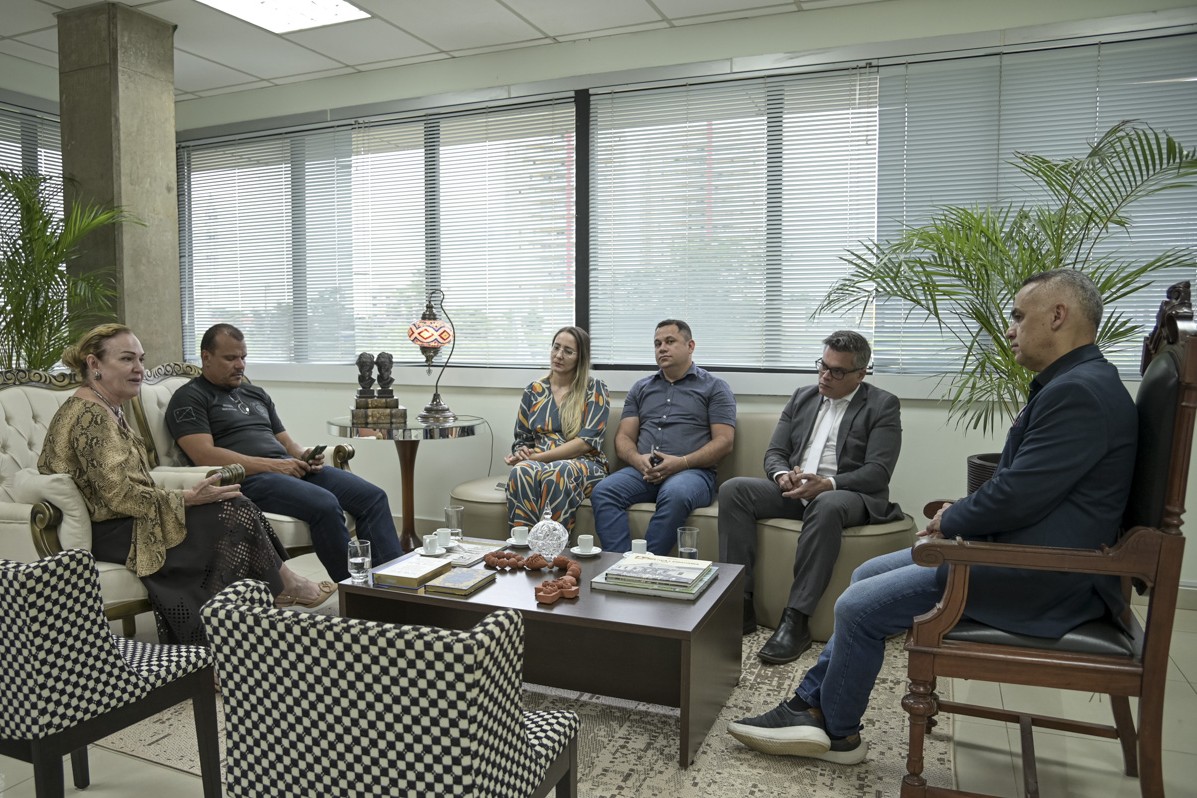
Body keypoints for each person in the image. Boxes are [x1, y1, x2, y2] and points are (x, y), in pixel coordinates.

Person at [727, 269, 1137, 765]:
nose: (1009, 329)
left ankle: (836, 733)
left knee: (858, 606)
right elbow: (1027, 489)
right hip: (1024, 548)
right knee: (865, 575)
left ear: (1057, 316)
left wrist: (955, 519)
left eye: (1017, 316)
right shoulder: (1081, 382)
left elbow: (1017, 495)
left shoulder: (1078, 392)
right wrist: (958, 514)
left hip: (1038, 573)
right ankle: (810, 702)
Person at [38, 324, 336, 647]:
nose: (139, 369)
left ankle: (248, 623)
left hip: (128, 518)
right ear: (94, 364)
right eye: (127, 360)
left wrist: (188, 499)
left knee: (232, 506)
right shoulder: (90, 416)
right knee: (232, 511)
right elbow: (120, 496)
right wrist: (186, 498)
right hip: (112, 530)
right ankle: (251, 615)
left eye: (141, 359)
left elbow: (134, 483)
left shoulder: (106, 407)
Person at [719, 330, 905, 663]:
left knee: (826, 503)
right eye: (823, 366)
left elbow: (878, 471)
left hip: (848, 495)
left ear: (860, 374)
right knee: (735, 490)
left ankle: (796, 620)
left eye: (837, 371)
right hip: (797, 490)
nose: (825, 375)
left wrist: (828, 483)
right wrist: (782, 475)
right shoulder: (802, 397)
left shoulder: (882, 405)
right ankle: (739, 604)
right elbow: (775, 451)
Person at [166, 323, 401, 582]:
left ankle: (393, 585)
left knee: (373, 497)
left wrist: (304, 456)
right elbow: (204, 456)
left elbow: (288, 443)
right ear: (206, 357)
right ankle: (355, 592)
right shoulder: (189, 397)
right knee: (324, 504)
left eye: (243, 357)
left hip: (286, 469)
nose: (240, 365)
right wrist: (274, 466)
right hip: (247, 479)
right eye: (230, 358)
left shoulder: (254, 393)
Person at [590, 319, 736, 554]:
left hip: (692, 473)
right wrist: (638, 460)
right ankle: (619, 563)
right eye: (657, 343)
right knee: (604, 491)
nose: (662, 348)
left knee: (675, 493)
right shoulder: (641, 388)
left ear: (691, 346)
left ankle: (646, 564)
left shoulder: (715, 387)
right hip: (643, 471)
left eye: (670, 341)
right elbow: (624, 437)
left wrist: (681, 463)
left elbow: (724, 442)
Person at [505, 326, 610, 530]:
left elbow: (585, 443)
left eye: (568, 351)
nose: (559, 355)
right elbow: (522, 439)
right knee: (521, 471)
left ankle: (555, 550)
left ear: (580, 357)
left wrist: (537, 458)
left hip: (585, 463)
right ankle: (524, 549)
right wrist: (521, 453)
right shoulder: (534, 390)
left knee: (557, 471)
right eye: (556, 348)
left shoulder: (595, 388)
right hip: (539, 460)